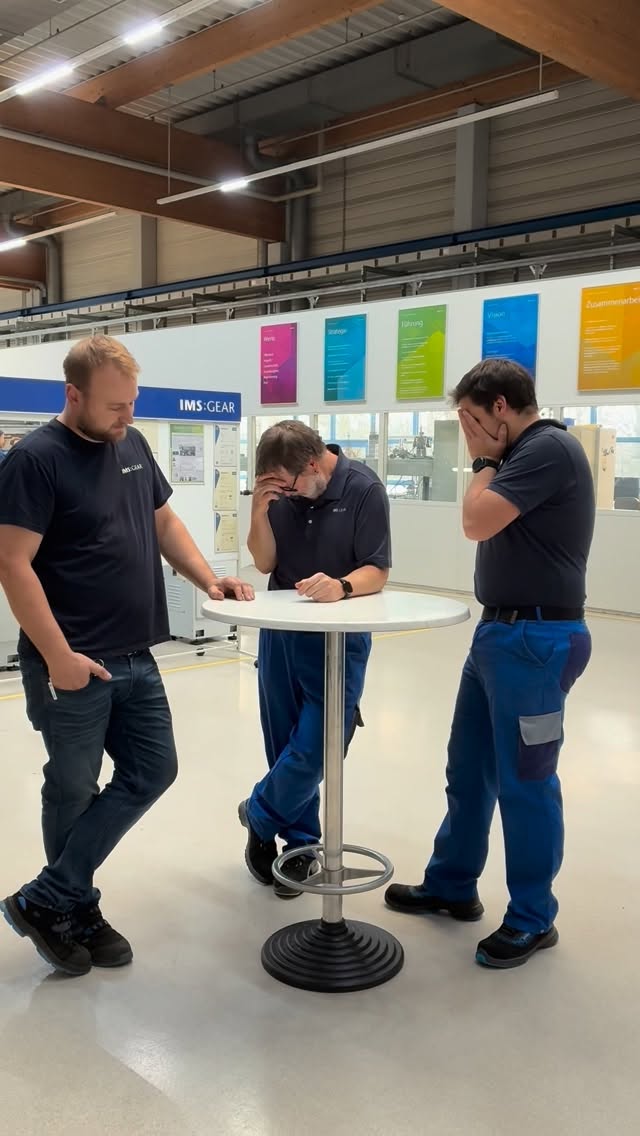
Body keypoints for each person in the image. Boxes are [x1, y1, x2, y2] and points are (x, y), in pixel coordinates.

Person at [0, 335, 254, 977]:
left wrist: (207, 578)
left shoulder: (132, 445)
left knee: (153, 769)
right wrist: (58, 656)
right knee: (73, 787)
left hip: (137, 654)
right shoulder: (34, 460)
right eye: (115, 407)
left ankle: (49, 898)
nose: (128, 417)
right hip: (72, 664)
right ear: (73, 395)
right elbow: (11, 562)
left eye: (132, 403)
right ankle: (75, 910)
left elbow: (164, 522)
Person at [386, 359, 595, 969]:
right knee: (469, 767)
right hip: (499, 635)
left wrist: (482, 460)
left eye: (472, 420)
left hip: (537, 640)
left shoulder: (546, 448)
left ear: (501, 407)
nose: (469, 433)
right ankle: (452, 883)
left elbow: (475, 522)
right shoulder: (520, 453)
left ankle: (533, 917)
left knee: (527, 783)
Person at [240, 420, 391, 898]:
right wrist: (259, 511)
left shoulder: (363, 489)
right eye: (278, 489)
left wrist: (341, 586)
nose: (289, 496)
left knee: (319, 743)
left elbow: (377, 570)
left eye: (291, 486)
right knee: (282, 739)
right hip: (281, 633)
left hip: (338, 636)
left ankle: (260, 812)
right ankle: (300, 846)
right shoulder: (280, 492)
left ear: (313, 464)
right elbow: (265, 563)